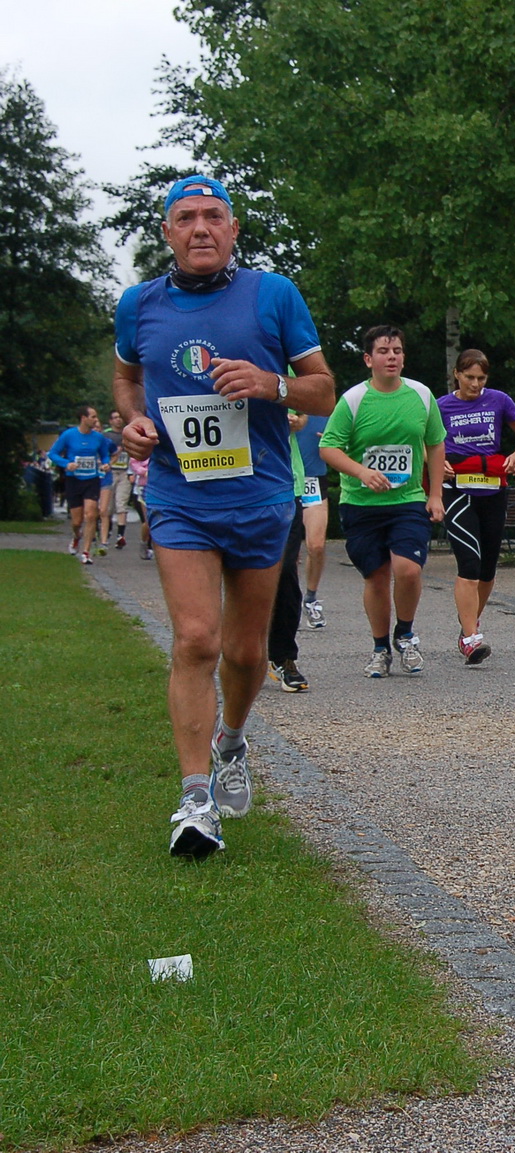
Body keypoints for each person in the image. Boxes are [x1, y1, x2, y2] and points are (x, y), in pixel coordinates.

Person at [113, 174, 335, 858]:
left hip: (260, 497)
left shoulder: (273, 294)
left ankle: (231, 741)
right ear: (168, 233)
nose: (201, 227)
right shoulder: (138, 304)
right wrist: (133, 420)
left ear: (234, 229)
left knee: (245, 652)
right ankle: (194, 799)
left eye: (214, 215)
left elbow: (324, 392)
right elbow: (126, 377)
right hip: (180, 498)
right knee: (196, 640)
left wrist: (271, 383)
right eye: (186, 218)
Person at [319, 325, 446, 677]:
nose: (392, 357)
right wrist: (362, 472)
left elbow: (436, 444)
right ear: (368, 359)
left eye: (397, 351)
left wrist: (435, 494)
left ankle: (404, 634)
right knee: (376, 577)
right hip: (361, 504)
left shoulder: (421, 395)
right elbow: (328, 447)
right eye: (384, 351)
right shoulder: (353, 400)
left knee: (408, 569)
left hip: (408, 500)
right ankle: (380, 649)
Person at [437, 348, 515, 664]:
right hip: (457, 490)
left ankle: (470, 623)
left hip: (492, 489)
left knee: (488, 566)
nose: (476, 384)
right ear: (456, 374)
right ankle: (470, 639)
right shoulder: (441, 406)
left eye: (481, 378)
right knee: (470, 562)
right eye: (469, 377)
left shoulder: (499, 400)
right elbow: (422, 441)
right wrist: (435, 462)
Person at [266, 412, 314, 692]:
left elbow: (305, 409)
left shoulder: (279, 379)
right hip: (234, 483)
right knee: (241, 574)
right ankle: (242, 653)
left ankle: (283, 657)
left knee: (284, 570)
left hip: (284, 484)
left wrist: (299, 420)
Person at [46, 405, 111, 563]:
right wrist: (66, 464)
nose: (96, 420)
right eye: (93, 417)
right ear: (83, 418)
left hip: (92, 479)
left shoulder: (98, 437)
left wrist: (106, 464)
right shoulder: (68, 435)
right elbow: (53, 453)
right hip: (74, 480)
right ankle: (76, 536)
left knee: (91, 514)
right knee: (77, 522)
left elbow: (105, 454)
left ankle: (86, 552)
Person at [292, 408, 331, 627]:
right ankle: (284, 603)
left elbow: (347, 443)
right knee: (286, 553)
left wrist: (334, 444)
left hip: (313, 481)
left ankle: (310, 599)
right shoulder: (277, 403)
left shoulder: (324, 410)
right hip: (284, 480)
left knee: (316, 546)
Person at [101, 410, 136, 551]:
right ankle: (107, 530)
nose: (118, 420)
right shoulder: (106, 436)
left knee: (121, 503)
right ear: (110, 421)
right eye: (115, 418)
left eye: (120, 417)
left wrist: (132, 471)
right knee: (108, 506)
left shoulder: (128, 433)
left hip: (124, 472)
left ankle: (120, 536)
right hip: (110, 472)